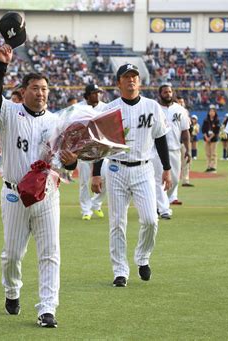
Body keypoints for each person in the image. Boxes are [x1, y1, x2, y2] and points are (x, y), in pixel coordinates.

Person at [0, 44, 77, 328]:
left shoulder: (58, 122)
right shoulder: (10, 113)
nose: (41, 93)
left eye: (45, 89)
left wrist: (72, 162)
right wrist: (2, 65)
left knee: (50, 252)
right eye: (35, 88)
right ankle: (12, 290)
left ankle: (47, 308)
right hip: (14, 194)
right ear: (23, 91)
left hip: (47, 193)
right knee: (12, 255)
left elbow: (67, 162)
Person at [91, 63, 172, 287]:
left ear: (140, 81)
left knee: (150, 219)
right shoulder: (108, 109)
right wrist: (96, 174)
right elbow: (100, 143)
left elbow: (160, 137)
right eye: (126, 77)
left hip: (144, 168)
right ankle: (120, 271)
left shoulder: (152, 106)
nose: (131, 80)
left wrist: (166, 168)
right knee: (117, 223)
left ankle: (142, 257)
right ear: (119, 83)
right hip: (116, 168)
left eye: (134, 76)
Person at [155, 85, 190, 211]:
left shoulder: (180, 110)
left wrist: (188, 150)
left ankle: (161, 203)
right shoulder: (155, 109)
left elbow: (185, 131)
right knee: (159, 179)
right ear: (160, 94)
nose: (168, 94)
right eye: (165, 92)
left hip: (175, 149)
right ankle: (162, 208)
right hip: (157, 150)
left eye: (170, 91)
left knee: (174, 180)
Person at [76, 84, 107, 220]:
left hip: (102, 149)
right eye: (94, 93)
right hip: (84, 149)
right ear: (87, 95)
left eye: (99, 93)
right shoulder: (79, 108)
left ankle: (96, 203)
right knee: (83, 181)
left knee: (105, 177)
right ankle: (86, 210)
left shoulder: (106, 107)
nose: (97, 95)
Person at [176, 96, 194, 188]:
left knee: (186, 161)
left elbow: (189, 128)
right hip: (175, 142)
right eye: (179, 102)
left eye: (182, 102)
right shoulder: (173, 112)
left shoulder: (186, 113)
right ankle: (174, 180)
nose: (181, 103)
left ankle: (185, 180)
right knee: (175, 162)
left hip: (184, 142)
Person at [201, 106, 220, 172]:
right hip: (206, 139)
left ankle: (213, 167)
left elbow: (216, 131)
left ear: (215, 113)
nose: (211, 113)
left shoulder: (217, 120)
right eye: (210, 111)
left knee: (213, 153)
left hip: (214, 139)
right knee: (208, 153)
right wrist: (206, 137)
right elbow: (203, 129)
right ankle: (208, 166)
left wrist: (210, 137)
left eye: (213, 111)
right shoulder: (206, 120)